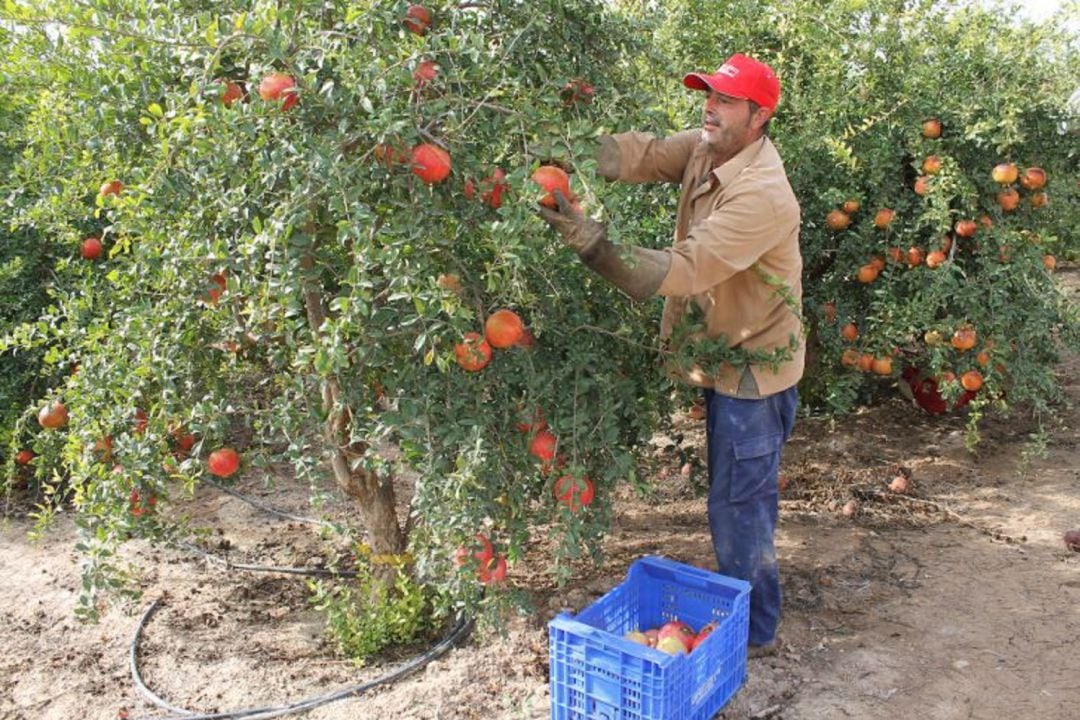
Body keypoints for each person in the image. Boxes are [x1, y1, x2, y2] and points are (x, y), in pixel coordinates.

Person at [538, 53, 803, 655]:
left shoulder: (764, 194)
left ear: (759, 117)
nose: (709, 107)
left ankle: (754, 632)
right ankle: (746, 615)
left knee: (739, 506)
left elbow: (682, 270)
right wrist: (555, 144)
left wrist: (594, 246)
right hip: (717, 349)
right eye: (707, 94)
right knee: (735, 493)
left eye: (726, 100)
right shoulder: (710, 145)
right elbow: (645, 152)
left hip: (752, 368)